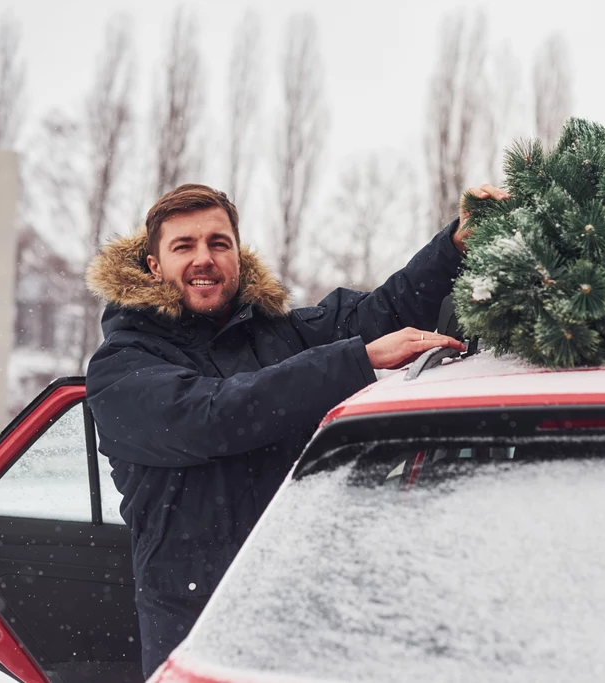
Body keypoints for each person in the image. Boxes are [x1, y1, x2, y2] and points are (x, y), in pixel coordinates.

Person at [84, 181, 509, 677]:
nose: (204, 258)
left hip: (302, 612)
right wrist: (357, 360)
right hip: (199, 628)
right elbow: (213, 418)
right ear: (154, 265)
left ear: (237, 257)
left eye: (219, 243)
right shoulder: (120, 366)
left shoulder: (279, 333)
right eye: (184, 246)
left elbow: (380, 313)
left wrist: (453, 243)